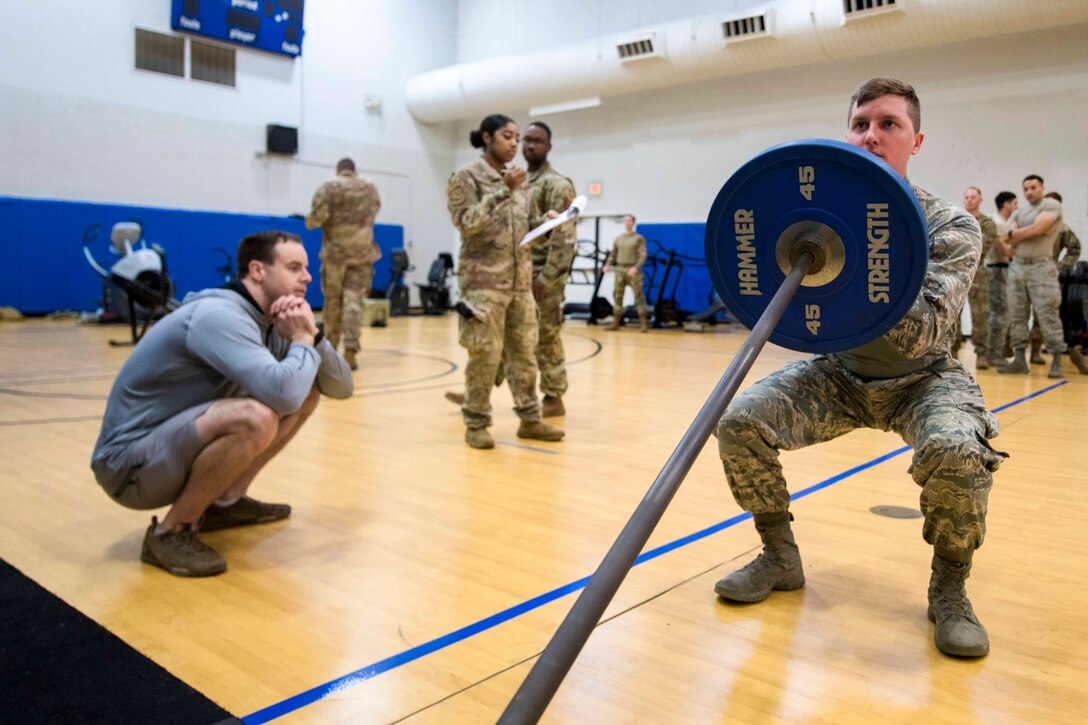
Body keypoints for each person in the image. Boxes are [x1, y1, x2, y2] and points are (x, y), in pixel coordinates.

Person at [714, 78, 1005, 659]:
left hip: (922, 378)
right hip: (841, 375)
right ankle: (780, 557)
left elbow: (921, 329)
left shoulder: (951, 225)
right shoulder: (817, 218)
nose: (872, 136)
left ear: (914, 140)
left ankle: (949, 589)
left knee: (960, 450)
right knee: (738, 421)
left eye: (888, 125)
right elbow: (775, 301)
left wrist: (859, 266)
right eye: (861, 124)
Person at [90, 231, 354, 577]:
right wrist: (303, 338)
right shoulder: (219, 316)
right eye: (294, 267)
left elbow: (341, 387)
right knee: (254, 417)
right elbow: (283, 396)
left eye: (306, 268)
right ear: (258, 270)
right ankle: (171, 532)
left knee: (307, 389)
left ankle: (222, 503)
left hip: (165, 450)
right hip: (127, 468)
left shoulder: (270, 319)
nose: (307, 277)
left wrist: (313, 336)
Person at [447, 114, 565, 449]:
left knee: (524, 354)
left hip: (519, 285)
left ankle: (530, 420)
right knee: (484, 356)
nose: (515, 143)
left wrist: (546, 224)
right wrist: (502, 190)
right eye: (507, 136)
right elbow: (466, 222)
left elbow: (527, 234)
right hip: (483, 287)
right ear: (487, 138)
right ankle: (476, 424)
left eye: (516, 137)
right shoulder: (467, 177)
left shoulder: (520, 182)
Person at [997, 176, 1087, 377]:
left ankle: (1056, 359)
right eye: (1026, 188)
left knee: (1048, 314)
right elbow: (1005, 236)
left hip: (1041, 266)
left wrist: (1017, 234)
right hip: (1018, 267)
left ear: (1042, 188)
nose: (1029, 191)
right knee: (1017, 314)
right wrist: (1030, 232)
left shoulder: (1051, 205)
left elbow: (1039, 228)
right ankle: (1019, 359)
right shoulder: (1019, 211)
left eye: (1033, 187)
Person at [306, 157, 382, 371]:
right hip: (362, 254)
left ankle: (330, 349)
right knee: (354, 302)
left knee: (333, 302)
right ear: (354, 170)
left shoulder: (329, 187)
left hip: (335, 256)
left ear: (338, 170)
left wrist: (308, 219)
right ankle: (351, 349)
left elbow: (317, 219)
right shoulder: (370, 188)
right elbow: (374, 211)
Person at [960, 186, 998, 369]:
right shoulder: (956, 219)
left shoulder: (988, 223)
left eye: (973, 197)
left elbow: (982, 246)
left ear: (980, 199)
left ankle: (982, 353)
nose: (969, 200)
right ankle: (951, 351)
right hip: (957, 272)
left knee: (981, 314)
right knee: (951, 314)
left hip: (977, 273)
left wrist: (960, 242)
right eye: (967, 197)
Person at [604, 214, 649, 332]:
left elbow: (643, 255)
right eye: (625, 221)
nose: (627, 223)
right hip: (620, 270)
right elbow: (613, 254)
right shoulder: (619, 239)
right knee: (617, 296)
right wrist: (608, 265)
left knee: (639, 297)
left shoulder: (638, 238)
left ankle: (643, 324)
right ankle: (616, 323)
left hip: (633, 271)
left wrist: (636, 268)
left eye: (629, 221)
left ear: (633, 223)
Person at [987, 191, 1017, 366]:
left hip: (1004, 270)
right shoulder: (997, 223)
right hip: (997, 270)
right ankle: (994, 354)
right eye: (1014, 203)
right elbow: (1004, 251)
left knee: (1004, 313)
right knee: (999, 313)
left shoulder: (1005, 223)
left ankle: (999, 351)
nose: (1016, 206)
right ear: (1006, 204)